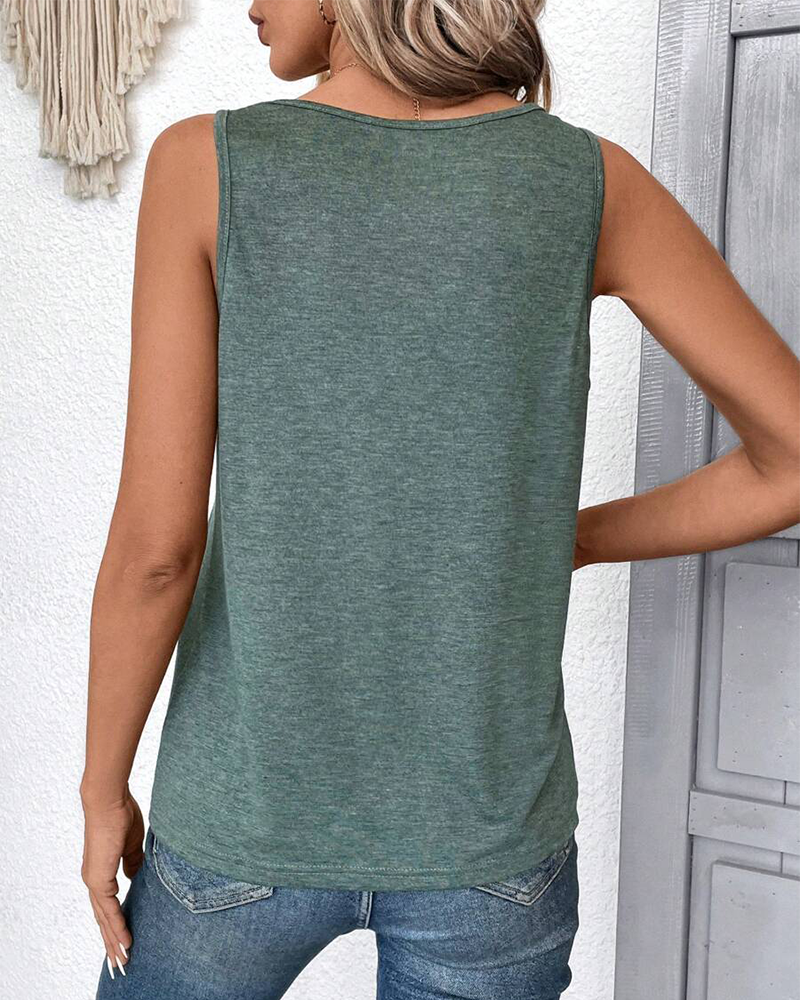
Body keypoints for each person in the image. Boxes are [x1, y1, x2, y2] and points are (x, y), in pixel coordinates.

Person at [81, 1, 800, 998]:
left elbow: (156, 552)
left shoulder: (206, 165)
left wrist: (100, 788)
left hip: (238, 826)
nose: (248, 5)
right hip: (492, 852)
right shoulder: (588, 181)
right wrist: (569, 538)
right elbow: (789, 459)